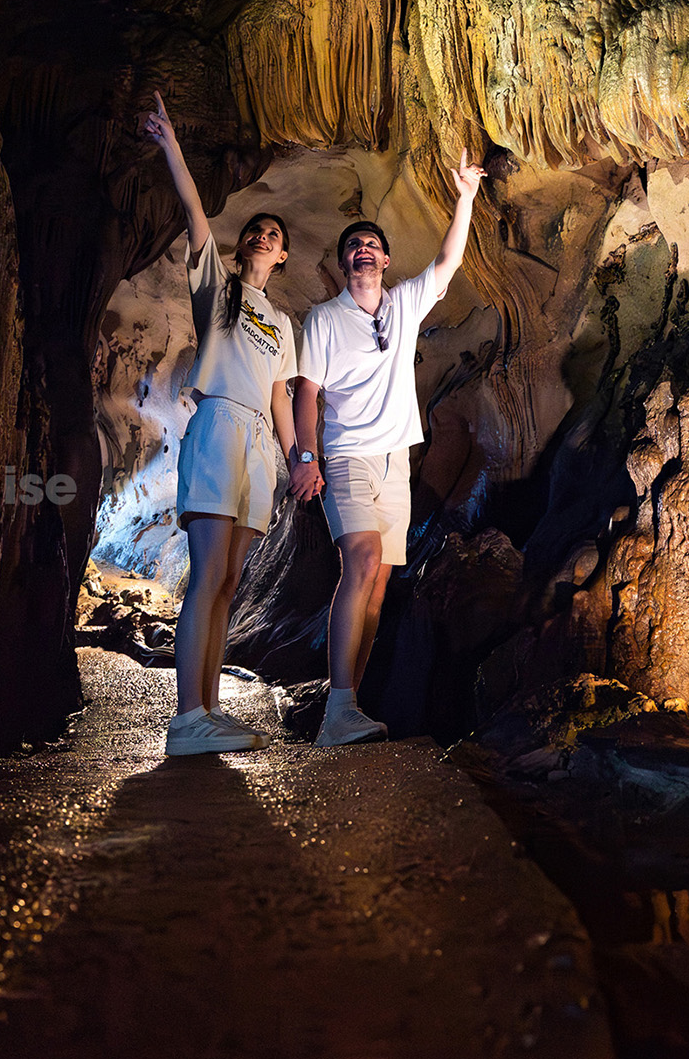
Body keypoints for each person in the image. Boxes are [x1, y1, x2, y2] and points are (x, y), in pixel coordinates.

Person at [290, 160, 485, 747]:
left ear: (385, 260)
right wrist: (306, 456)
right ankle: (338, 706)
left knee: (378, 585)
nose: (365, 251)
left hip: (396, 459)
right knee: (363, 562)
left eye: (373, 245)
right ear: (344, 262)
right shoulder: (324, 319)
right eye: (355, 246)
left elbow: (448, 263)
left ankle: (350, 702)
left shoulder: (401, 306)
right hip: (347, 454)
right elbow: (308, 392)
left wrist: (466, 196)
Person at [145, 90, 301, 758]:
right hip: (216, 427)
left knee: (231, 583)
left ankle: (206, 709)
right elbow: (192, 211)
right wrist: (170, 145)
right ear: (244, 246)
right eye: (257, 231)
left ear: (285, 256)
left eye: (275, 236)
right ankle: (187, 717)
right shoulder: (220, 287)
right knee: (209, 574)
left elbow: (281, 396)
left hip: (260, 445)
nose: (265, 237)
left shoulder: (282, 323)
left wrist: (299, 457)